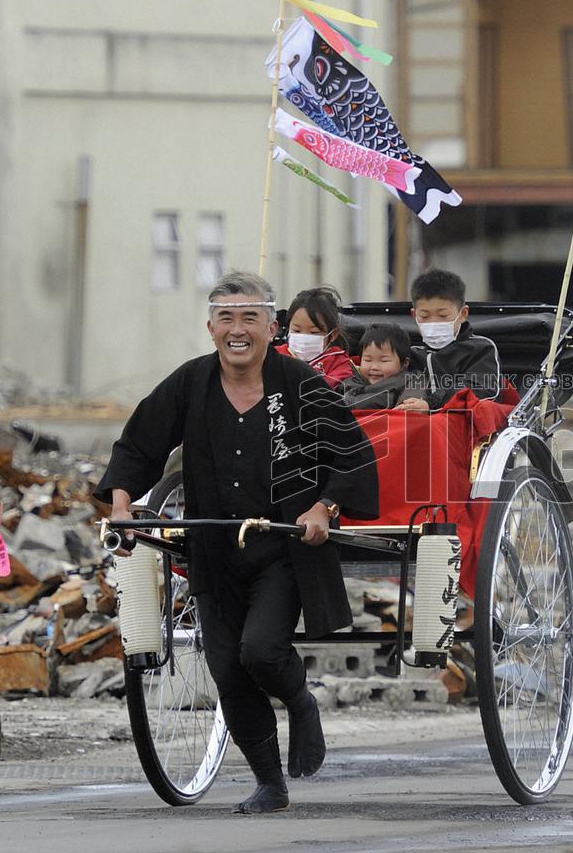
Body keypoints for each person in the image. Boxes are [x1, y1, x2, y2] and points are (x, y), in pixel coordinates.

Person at [95, 271, 378, 815]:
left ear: (272, 328)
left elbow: (353, 454)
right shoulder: (191, 382)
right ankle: (270, 783)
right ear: (211, 328)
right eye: (226, 318)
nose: (237, 329)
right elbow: (139, 443)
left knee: (261, 651)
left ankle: (299, 700)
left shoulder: (300, 383)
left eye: (250, 317)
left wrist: (323, 507)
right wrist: (124, 506)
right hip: (214, 548)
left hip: (284, 547)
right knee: (226, 669)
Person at [402, 269, 502, 412]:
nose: (434, 322)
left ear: (463, 314)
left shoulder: (481, 349)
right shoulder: (410, 354)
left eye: (443, 316)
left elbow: (482, 389)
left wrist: (430, 404)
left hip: (463, 421)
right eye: (424, 316)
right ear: (414, 315)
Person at [275, 285, 356, 386]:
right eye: (296, 330)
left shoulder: (339, 362)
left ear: (333, 334)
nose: (304, 338)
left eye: (314, 332)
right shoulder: (275, 355)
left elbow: (330, 387)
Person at [340, 323, 426, 410]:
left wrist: (408, 406)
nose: (374, 367)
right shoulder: (350, 381)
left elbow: (411, 402)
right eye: (368, 360)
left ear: (404, 363)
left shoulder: (411, 381)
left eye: (384, 360)